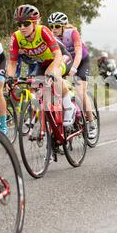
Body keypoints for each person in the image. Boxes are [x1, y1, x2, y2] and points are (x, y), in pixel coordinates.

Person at [7, 4, 76, 127]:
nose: (22, 27)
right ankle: (41, 117)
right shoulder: (16, 37)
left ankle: (69, 107)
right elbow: (12, 62)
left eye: (26, 23)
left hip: (60, 58)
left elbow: (58, 55)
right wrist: (10, 78)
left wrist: (51, 71)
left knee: (54, 75)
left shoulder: (43, 30)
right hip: (42, 64)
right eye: (19, 24)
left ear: (35, 23)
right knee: (36, 87)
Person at [47, 11, 97, 139]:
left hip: (81, 62)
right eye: (51, 26)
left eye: (57, 26)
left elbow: (79, 53)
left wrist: (74, 68)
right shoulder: (51, 37)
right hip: (66, 62)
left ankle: (92, 123)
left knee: (80, 92)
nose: (54, 29)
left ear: (64, 26)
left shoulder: (73, 33)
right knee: (58, 88)